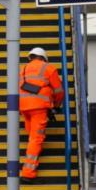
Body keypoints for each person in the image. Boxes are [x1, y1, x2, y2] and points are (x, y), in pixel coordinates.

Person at [18, 47, 64, 182]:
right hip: (39, 108)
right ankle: (28, 173)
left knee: (32, 136)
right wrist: (56, 105)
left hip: (24, 107)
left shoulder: (24, 69)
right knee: (36, 139)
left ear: (31, 57)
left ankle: (34, 153)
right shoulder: (49, 68)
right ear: (44, 58)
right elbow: (59, 91)